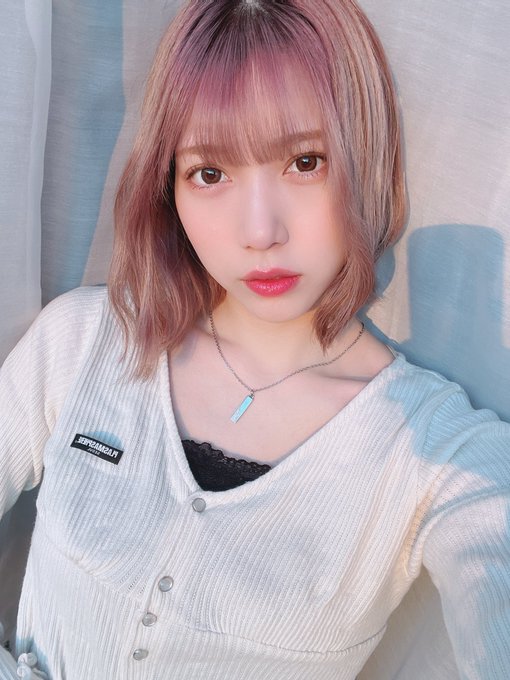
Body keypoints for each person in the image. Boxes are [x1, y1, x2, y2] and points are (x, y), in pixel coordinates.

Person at [1, 0, 509, 678]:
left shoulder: (434, 451)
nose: (260, 231)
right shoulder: (84, 343)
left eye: (305, 161)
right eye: (210, 174)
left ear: (366, 158)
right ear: (169, 187)